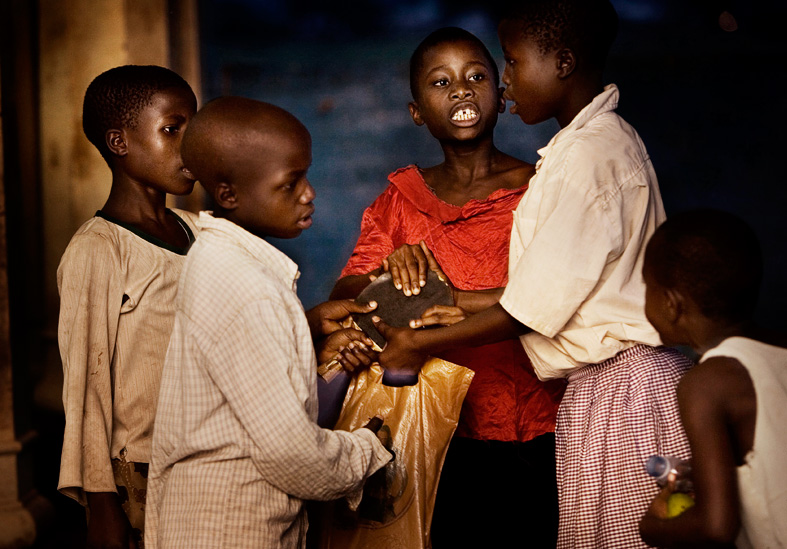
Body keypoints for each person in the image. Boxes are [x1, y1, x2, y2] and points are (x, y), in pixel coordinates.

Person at [372, 1, 693, 546]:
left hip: (624, 390)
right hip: (611, 384)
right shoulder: (591, 147)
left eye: (511, 64)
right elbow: (559, 287)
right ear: (416, 110)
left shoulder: (587, 158)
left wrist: (418, 345)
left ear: (562, 63)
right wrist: (453, 297)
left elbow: (529, 310)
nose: (507, 79)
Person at [330, 27, 564, 547]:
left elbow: (562, 296)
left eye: (476, 76)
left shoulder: (541, 189)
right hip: (431, 425)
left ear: (501, 96)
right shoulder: (400, 199)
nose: (461, 90)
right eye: (441, 82)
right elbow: (349, 289)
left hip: (539, 421)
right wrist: (388, 269)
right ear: (417, 112)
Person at [144, 96, 393, 549]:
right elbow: (292, 456)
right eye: (289, 183)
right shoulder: (252, 289)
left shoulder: (217, 260)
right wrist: (365, 451)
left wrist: (305, 330)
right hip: (234, 527)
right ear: (229, 195)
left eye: (306, 175)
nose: (309, 193)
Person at [57, 65, 199, 549]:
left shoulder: (199, 232)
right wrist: (102, 503)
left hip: (204, 455)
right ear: (119, 143)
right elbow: (85, 390)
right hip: (139, 471)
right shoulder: (98, 249)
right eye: (171, 130)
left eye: (192, 129)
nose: (190, 145)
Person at [638, 209, 787, 548]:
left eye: (646, 287)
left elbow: (715, 527)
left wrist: (651, 528)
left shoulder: (707, 382)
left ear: (671, 303)